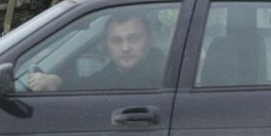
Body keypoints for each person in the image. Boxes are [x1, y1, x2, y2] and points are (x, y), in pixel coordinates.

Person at [26, 9, 168, 92]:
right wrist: (57, 82)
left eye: (134, 39)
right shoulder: (113, 72)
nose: (125, 48)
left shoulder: (164, 72)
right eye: (117, 41)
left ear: (149, 40)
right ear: (106, 45)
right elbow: (89, 86)